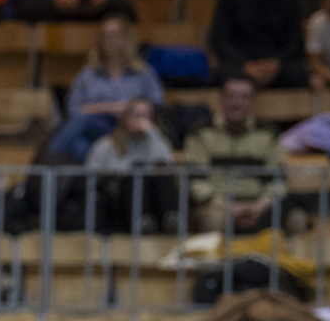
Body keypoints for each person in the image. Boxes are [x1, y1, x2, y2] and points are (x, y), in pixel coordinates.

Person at [186, 79, 298, 233]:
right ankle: (213, 258)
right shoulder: (201, 133)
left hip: (259, 205)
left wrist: (260, 205)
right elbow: (198, 184)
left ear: (253, 102)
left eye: (244, 98)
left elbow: (278, 180)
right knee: (214, 220)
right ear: (221, 99)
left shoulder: (269, 133)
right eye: (231, 96)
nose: (236, 103)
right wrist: (229, 207)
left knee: (296, 219)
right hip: (216, 205)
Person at [50, 17, 164, 162]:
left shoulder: (143, 73)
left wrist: (125, 111)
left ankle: (49, 160)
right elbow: (74, 110)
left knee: (81, 139)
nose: (109, 40)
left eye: (114, 35)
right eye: (105, 36)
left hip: (129, 129)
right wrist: (113, 107)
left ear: (126, 38)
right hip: (96, 128)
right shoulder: (88, 74)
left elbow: (157, 105)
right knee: (81, 143)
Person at [84, 98, 179, 234]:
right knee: (135, 174)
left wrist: (152, 133)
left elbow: (166, 162)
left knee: (162, 173)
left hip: (152, 200)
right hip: (119, 200)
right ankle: (140, 221)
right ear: (125, 117)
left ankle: (171, 218)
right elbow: (90, 176)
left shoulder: (153, 141)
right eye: (137, 114)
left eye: (146, 115)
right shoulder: (105, 146)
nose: (141, 120)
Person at [208, 0, 308, 88]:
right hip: (238, 63)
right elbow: (219, 38)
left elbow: (295, 42)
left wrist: (276, 63)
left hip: (278, 66)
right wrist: (245, 65)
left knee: (299, 76)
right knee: (220, 75)